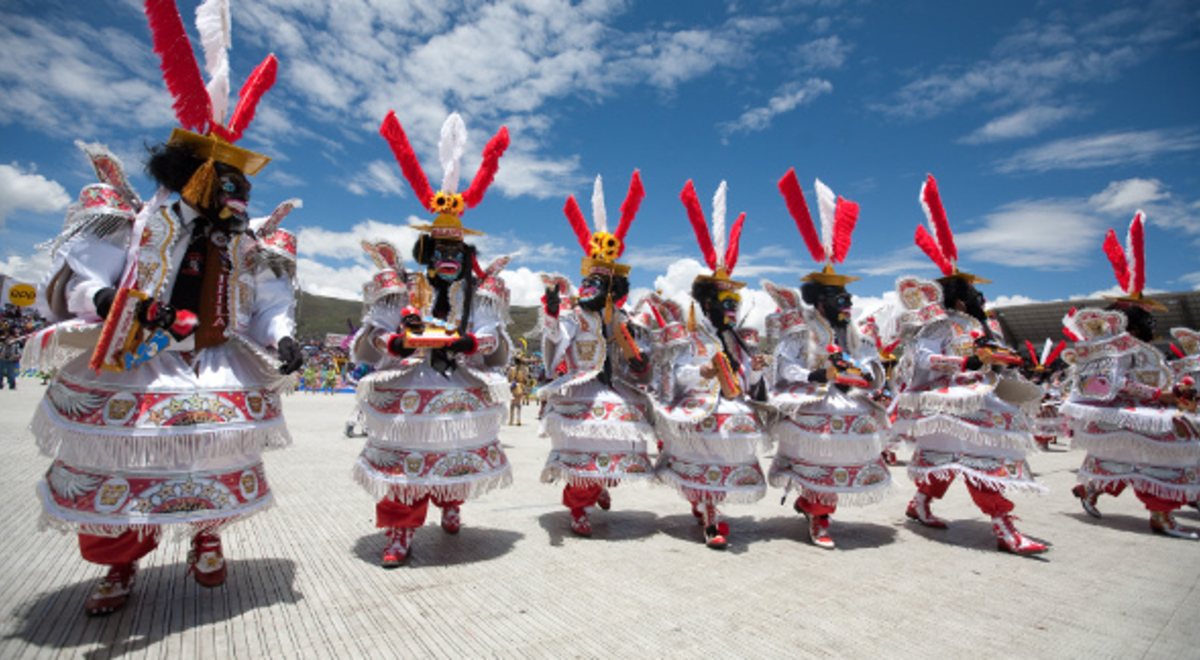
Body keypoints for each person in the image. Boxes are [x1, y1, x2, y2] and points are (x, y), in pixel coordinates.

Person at [22, 0, 303, 615]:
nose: (240, 196)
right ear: (194, 176)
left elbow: (265, 305)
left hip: (213, 359)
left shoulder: (244, 247)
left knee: (213, 454)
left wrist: (282, 338)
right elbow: (77, 279)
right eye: (228, 184)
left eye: (243, 186)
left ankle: (206, 537)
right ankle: (119, 564)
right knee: (121, 460)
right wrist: (107, 301)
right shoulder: (134, 220)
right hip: (134, 355)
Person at [352, 111, 513, 567]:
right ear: (427, 253)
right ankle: (401, 530)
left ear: (465, 256)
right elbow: (377, 331)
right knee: (405, 462)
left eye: (455, 251)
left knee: (453, 452)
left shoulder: (480, 295)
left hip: (458, 383)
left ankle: (451, 500)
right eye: (439, 250)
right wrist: (394, 346)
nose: (447, 257)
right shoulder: (401, 287)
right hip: (410, 384)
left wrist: (470, 345)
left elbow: (490, 335)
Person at [891, 175, 1047, 554]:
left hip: (983, 396)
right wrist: (968, 359)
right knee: (981, 459)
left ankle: (920, 503)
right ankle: (1003, 525)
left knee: (958, 460)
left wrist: (1005, 362)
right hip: (953, 400)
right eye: (976, 293)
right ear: (960, 301)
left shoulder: (984, 324)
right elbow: (924, 359)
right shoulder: (940, 323)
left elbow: (993, 359)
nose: (982, 297)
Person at [636, 180, 768, 549]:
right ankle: (711, 516)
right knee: (713, 441)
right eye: (725, 303)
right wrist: (703, 372)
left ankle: (708, 504)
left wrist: (755, 366)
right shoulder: (691, 335)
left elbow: (749, 380)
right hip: (701, 404)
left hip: (733, 402)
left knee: (734, 438)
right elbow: (676, 374)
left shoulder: (739, 337)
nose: (732, 309)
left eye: (734, 303)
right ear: (708, 304)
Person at [763, 171, 891, 549]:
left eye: (849, 299)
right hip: (814, 400)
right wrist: (818, 373)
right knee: (821, 451)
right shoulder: (801, 331)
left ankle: (816, 506)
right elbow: (784, 367)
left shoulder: (855, 333)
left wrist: (867, 375)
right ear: (820, 301)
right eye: (840, 300)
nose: (847, 305)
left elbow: (871, 361)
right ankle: (819, 515)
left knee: (847, 446)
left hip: (848, 400)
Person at [1063, 212, 1200, 538]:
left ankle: (1092, 489)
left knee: (1135, 457)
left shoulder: (1137, 346)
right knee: (1166, 449)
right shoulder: (1116, 347)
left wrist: (1176, 390)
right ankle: (1160, 514)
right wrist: (1160, 396)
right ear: (1133, 322)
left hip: (1136, 411)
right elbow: (1111, 383)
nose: (1153, 324)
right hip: (1120, 412)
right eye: (1147, 317)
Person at [538, 172, 655, 537]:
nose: (586, 288)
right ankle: (578, 506)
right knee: (585, 444)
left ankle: (601, 483)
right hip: (582, 388)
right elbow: (557, 337)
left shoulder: (621, 317)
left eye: (595, 284)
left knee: (618, 439)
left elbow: (634, 349)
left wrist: (639, 361)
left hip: (614, 387)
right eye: (585, 282)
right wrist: (553, 314)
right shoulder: (575, 316)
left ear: (611, 289)